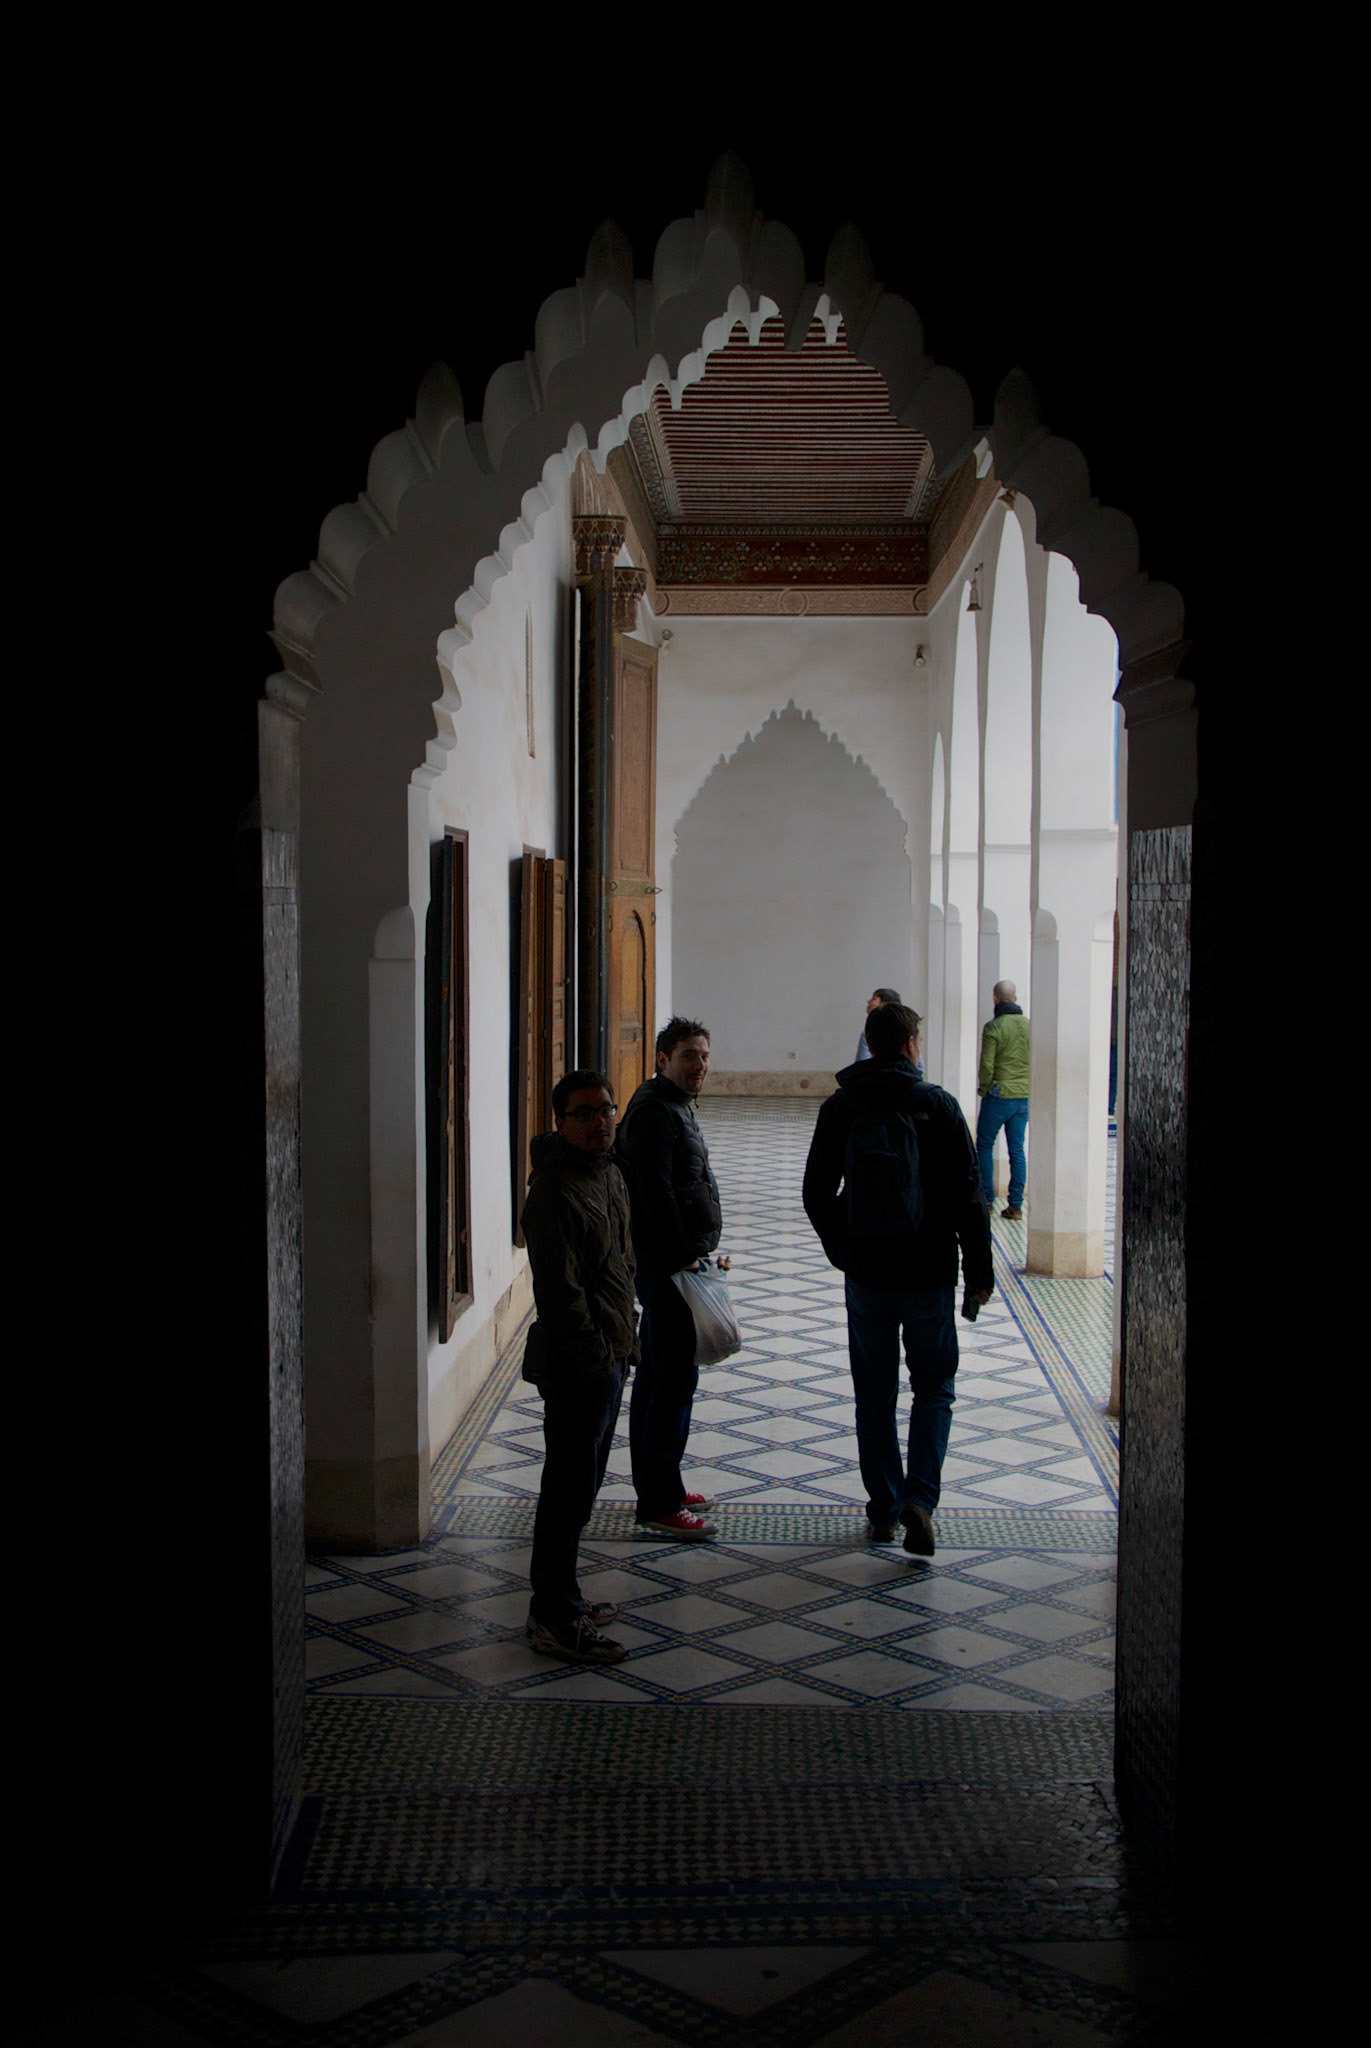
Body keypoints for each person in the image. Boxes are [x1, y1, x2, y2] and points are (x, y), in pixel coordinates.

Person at [803, 1000, 992, 1555]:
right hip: (929, 1271)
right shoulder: (938, 1104)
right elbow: (970, 1196)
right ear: (911, 1044)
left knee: (874, 1391)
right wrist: (979, 1271)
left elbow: (816, 1192)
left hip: (868, 1272)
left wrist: (844, 1250)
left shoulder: (842, 1106)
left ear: (870, 1043)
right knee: (934, 1388)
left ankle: (884, 1506)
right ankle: (921, 1499)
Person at [520, 1070, 638, 1664]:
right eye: (584, 1113)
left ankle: (562, 1596)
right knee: (566, 1490)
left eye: (606, 1110)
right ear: (560, 1123)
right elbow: (560, 1294)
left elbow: (619, 1263)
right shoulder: (552, 1193)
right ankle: (553, 1615)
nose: (599, 1123)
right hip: (578, 1364)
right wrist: (596, 1355)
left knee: (583, 1485)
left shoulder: (608, 1174)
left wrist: (626, 1340)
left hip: (611, 1353)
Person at [617, 1017, 722, 1540]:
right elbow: (654, 1194)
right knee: (671, 1382)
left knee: (664, 1377)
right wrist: (685, 1257)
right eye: (688, 1056)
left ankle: (663, 1486)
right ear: (663, 1060)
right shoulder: (655, 1113)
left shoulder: (673, 1105)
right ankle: (659, 1501)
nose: (699, 1064)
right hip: (666, 1267)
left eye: (703, 1055)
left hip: (673, 1263)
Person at [976, 980, 1031, 1221]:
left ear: (995, 999)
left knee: (984, 1145)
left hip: (999, 1094)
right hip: (1023, 1096)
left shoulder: (993, 1027)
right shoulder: (1029, 1026)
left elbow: (987, 1064)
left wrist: (984, 1088)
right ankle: (1015, 1205)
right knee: (1017, 1149)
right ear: (1016, 999)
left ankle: (987, 1199)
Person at [854, 987, 903, 1064]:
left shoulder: (869, 1034)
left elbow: (861, 1062)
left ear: (884, 1004)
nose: (868, 1001)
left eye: (874, 999)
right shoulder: (905, 1030)